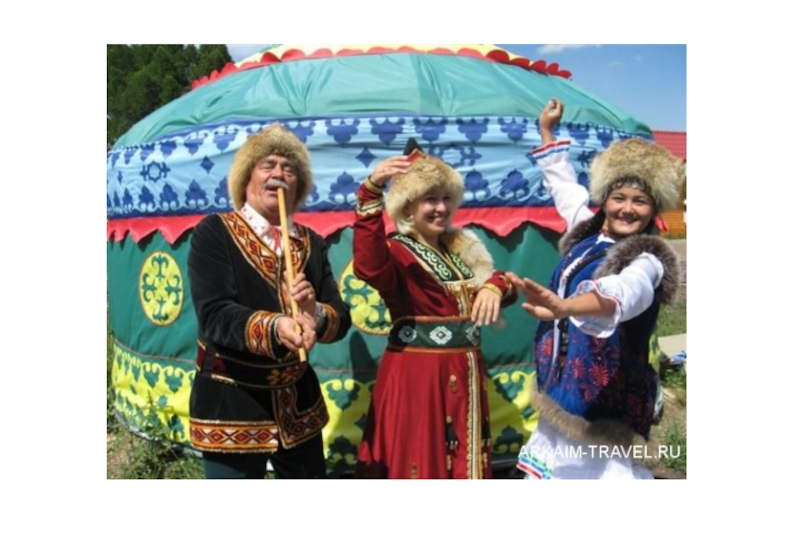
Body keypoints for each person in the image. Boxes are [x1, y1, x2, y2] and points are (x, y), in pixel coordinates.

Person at [509, 99, 684, 479]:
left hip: (606, 404)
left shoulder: (648, 259)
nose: (627, 209)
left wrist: (566, 307)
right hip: (562, 388)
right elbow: (564, 186)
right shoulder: (588, 232)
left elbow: (624, 292)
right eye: (619, 198)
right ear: (604, 199)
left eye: (640, 202)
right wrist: (547, 131)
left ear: (654, 208)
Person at [187, 123, 352, 479]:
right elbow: (214, 315)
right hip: (233, 404)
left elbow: (341, 316)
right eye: (268, 165)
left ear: (298, 186)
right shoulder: (215, 232)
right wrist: (277, 326)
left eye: (289, 168)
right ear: (246, 177)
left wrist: (314, 314)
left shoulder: (310, 242)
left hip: (299, 406)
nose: (279, 173)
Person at [353, 140, 518, 479]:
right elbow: (368, 265)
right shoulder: (397, 252)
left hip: (466, 374)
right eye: (430, 199)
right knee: (420, 459)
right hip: (419, 378)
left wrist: (494, 286)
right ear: (408, 207)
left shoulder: (461, 250)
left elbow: (507, 285)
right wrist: (371, 193)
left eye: (446, 198)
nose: (441, 208)